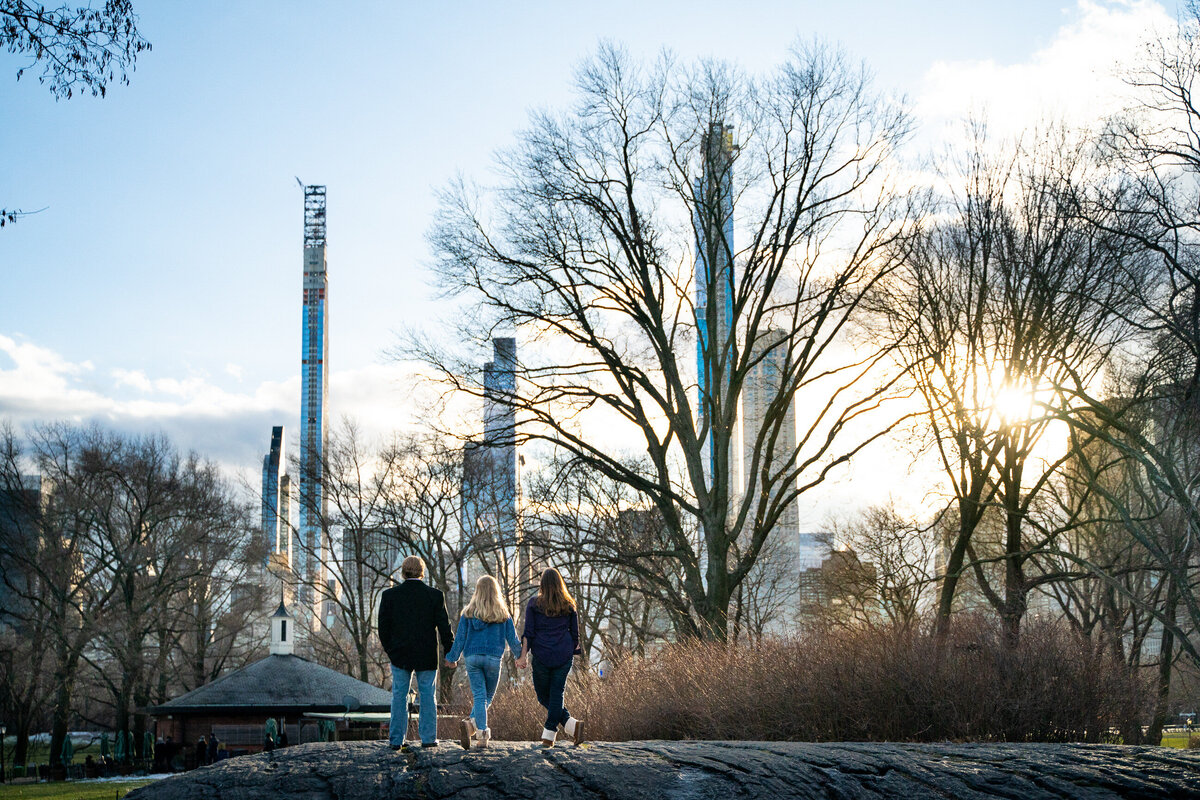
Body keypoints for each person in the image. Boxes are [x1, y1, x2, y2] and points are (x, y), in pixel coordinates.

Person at [378, 554, 454, 750]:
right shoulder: (435, 595)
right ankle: (428, 739)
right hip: (426, 653)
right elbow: (444, 627)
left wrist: (391, 651)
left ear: (403, 572)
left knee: (399, 695)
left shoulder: (390, 596)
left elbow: (383, 629)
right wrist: (450, 652)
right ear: (422, 572)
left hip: (400, 654)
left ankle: (396, 740)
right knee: (428, 695)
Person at [443, 575, 527, 749]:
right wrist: (520, 656)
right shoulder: (503, 614)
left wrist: (452, 658)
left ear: (477, 592)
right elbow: (512, 639)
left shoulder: (467, 613)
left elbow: (459, 639)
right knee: (486, 697)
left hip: (472, 658)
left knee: (480, 696)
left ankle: (472, 727)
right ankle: (481, 734)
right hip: (493, 659)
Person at [521, 567, 584, 747]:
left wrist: (524, 655)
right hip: (563, 655)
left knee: (544, 695)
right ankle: (571, 725)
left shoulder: (534, 604)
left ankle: (549, 734)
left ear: (542, 584)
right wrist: (571, 650)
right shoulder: (569, 604)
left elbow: (529, 632)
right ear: (560, 583)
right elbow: (575, 634)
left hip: (541, 654)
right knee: (555, 693)